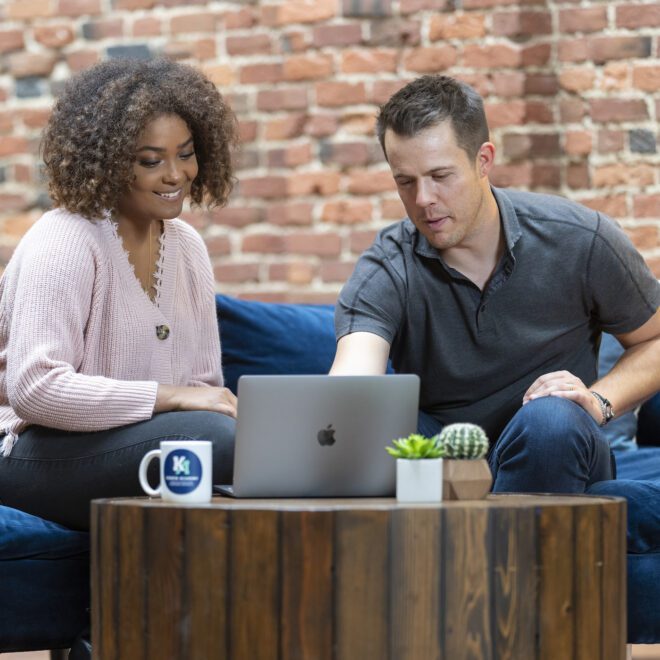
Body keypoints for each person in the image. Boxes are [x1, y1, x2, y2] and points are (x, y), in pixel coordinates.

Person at [331, 74, 660, 493]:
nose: (423, 199)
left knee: (553, 419)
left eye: (440, 175)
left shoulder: (581, 239)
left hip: (553, 443)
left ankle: (508, 554)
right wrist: (344, 407)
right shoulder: (390, 263)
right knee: (382, 422)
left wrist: (597, 401)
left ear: (483, 160)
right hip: (444, 453)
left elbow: (654, 340)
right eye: (405, 181)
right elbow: (355, 372)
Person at [0, 58, 238, 531]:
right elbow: (36, 390)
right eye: (151, 160)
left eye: (186, 154)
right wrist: (171, 398)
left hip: (124, 445)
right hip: (30, 453)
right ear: (107, 160)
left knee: (237, 438)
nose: (175, 174)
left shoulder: (187, 248)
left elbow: (204, 389)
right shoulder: (65, 239)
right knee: (210, 438)